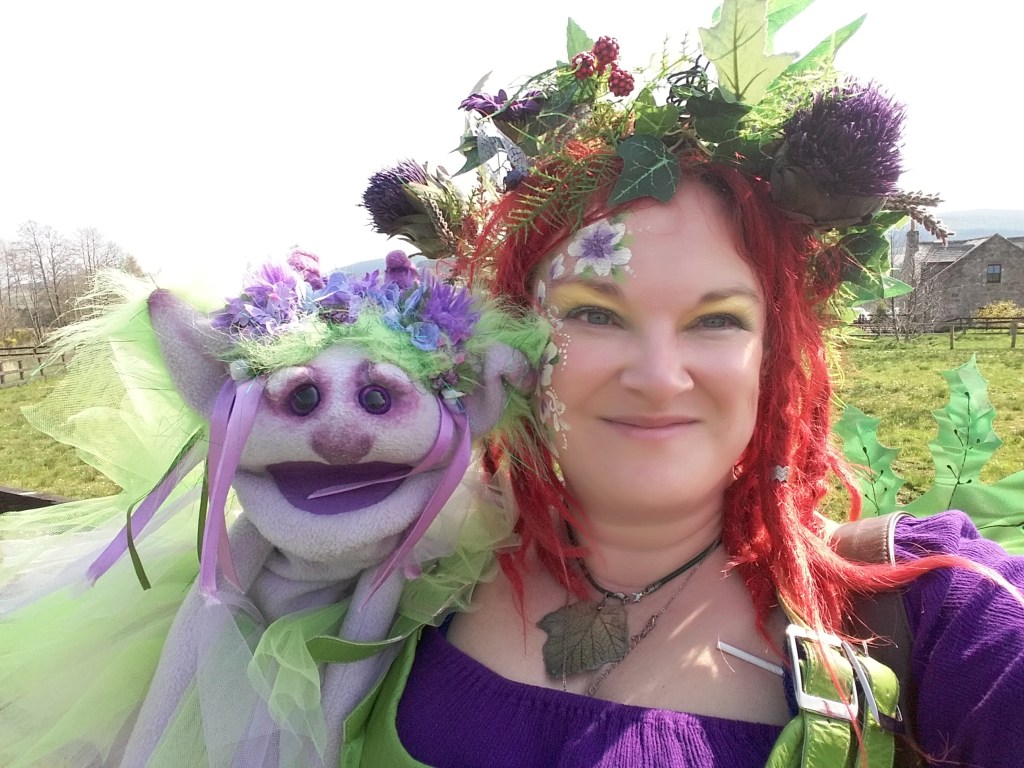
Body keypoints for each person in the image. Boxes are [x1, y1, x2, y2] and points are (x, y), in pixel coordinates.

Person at [355, 1, 1024, 766]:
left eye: (716, 321)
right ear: (516, 333)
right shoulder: (403, 570)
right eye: (595, 314)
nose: (657, 376)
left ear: (774, 353)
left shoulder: (928, 606)